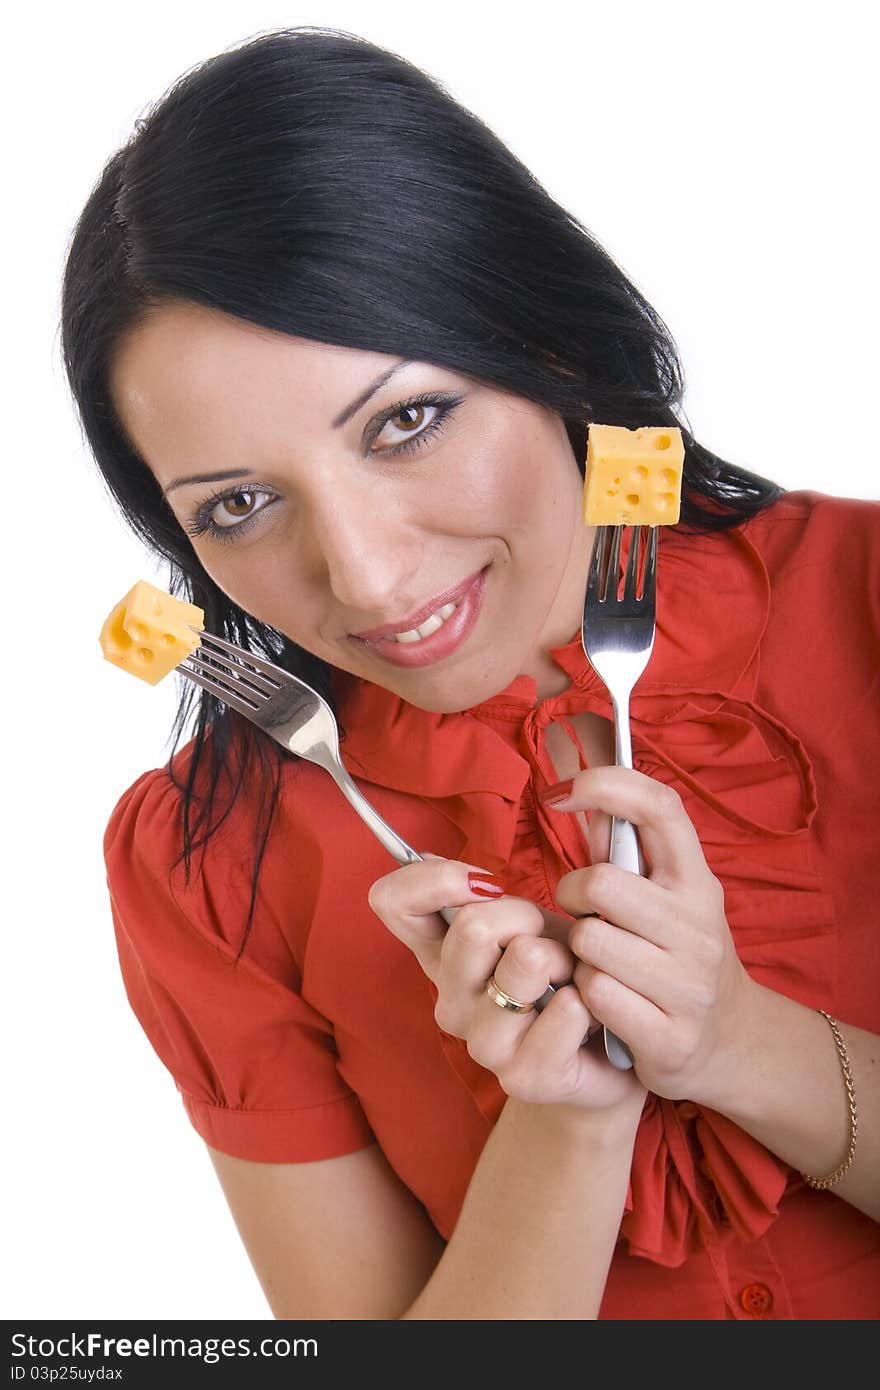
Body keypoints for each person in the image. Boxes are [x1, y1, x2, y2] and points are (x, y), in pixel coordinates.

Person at [62, 27, 879, 1320]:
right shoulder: (204, 867)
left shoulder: (865, 602)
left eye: (406, 420)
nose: (370, 582)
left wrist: (740, 1041)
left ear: (550, 346)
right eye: (237, 508)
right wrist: (564, 1123)